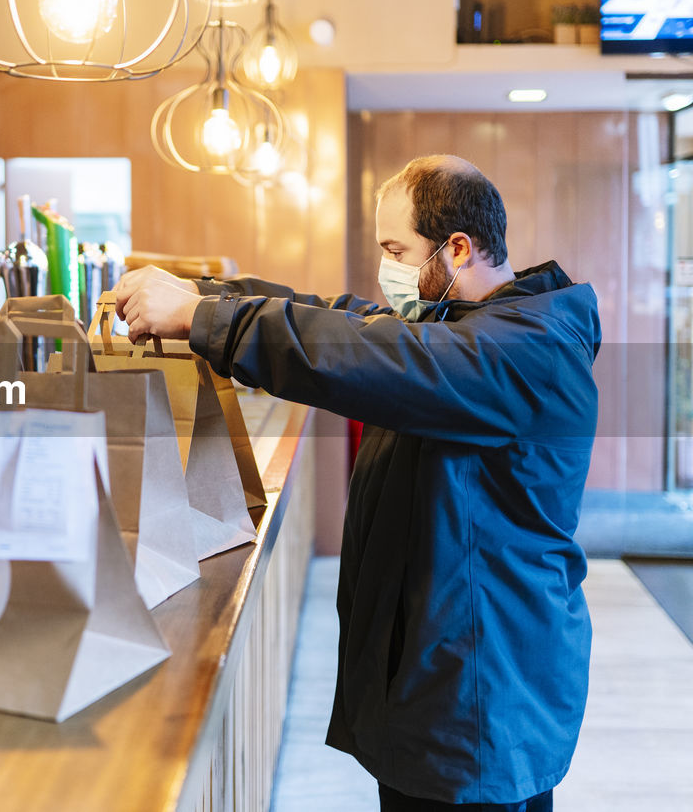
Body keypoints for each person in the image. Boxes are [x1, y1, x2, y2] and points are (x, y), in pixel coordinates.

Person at [115, 155, 598, 811]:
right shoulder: (455, 325)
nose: (386, 265)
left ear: (457, 247)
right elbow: (342, 316)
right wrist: (204, 292)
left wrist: (206, 319)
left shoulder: (523, 351)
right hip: (438, 692)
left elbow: (369, 353)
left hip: (480, 706)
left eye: (396, 249)